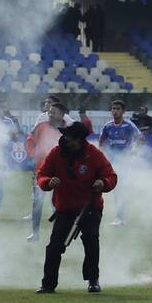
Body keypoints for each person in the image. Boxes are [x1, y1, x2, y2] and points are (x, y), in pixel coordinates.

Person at [36, 122, 118, 294]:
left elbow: (111, 176)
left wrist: (103, 183)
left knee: (91, 240)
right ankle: (48, 284)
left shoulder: (94, 154)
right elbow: (42, 175)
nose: (68, 140)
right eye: (66, 137)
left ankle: (93, 280)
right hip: (65, 208)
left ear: (80, 140)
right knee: (54, 246)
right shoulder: (55, 153)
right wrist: (48, 182)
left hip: (90, 207)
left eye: (72, 138)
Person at [26, 102, 71, 242]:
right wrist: (32, 155)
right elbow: (30, 140)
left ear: (62, 114)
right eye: (49, 112)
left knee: (58, 204)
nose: (50, 114)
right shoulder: (41, 126)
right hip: (41, 172)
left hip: (61, 174)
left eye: (53, 112)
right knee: (37, 203)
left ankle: (59, 234)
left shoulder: (69, 130)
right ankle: (35, 233)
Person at [98, 100, 144, 226]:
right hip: (111, 163)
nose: (115, 111)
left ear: (123, 111)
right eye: (113, 108)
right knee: (113, 189)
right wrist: (103, 154)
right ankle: (117, 215)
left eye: (118, 109)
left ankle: (120, 217)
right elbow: (101, 141)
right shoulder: (108, 126)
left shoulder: (129, 125)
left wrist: (134, 151)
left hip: (124, 162)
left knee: (120, 188)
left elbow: (141, 138)